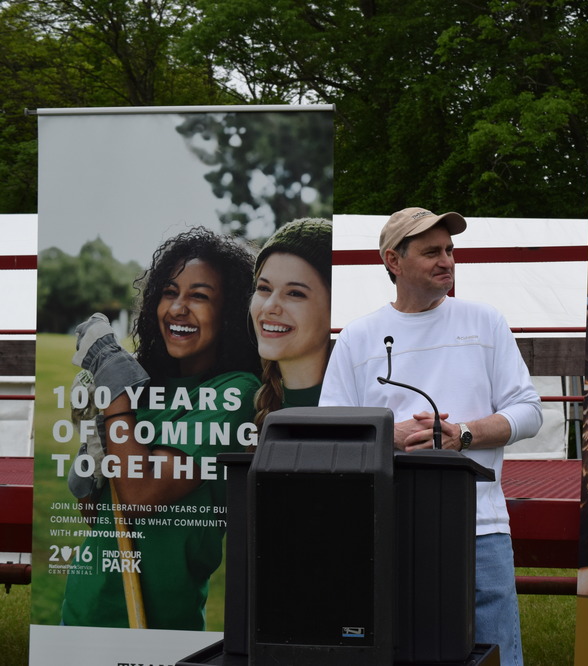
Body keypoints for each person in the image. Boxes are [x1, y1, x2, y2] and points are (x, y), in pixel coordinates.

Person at [319, 207, 541, 666]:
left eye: (450, 250)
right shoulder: (358, 338)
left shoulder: (485, 322)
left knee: (496, 656)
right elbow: (328, 438)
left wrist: (462, 434)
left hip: (479, 528)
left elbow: (529, 412)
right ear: (393, 261)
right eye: (432, 252)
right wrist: (389, 434)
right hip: (386, 528)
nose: (447, 261)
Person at [61, 227, 261, 630]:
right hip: (85, 605)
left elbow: (140, 494)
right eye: (169, 292)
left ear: (231, 312)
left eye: (199, 296)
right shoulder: (145, 389)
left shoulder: (237, 393)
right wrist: (93, 452)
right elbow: (98, 517)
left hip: (161, 621)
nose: (178, 308)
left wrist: (112, 376)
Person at [250, 218, 333, 426]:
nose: (269, 306)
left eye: (295, 293)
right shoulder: (243, 412)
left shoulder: (372, 411)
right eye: (264, 289)